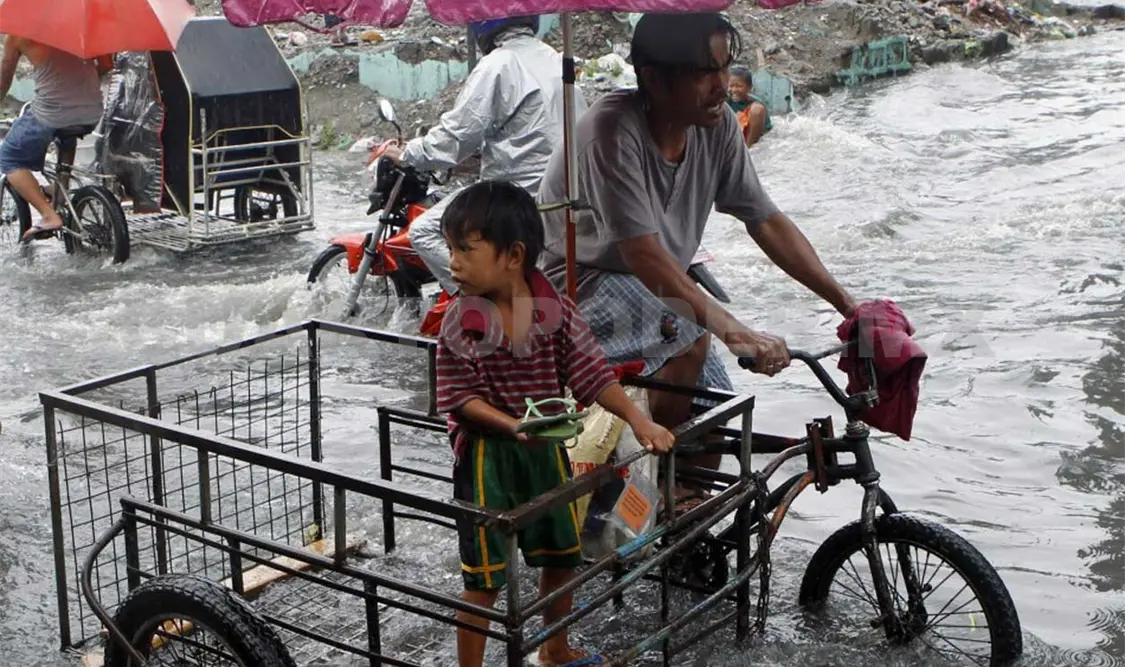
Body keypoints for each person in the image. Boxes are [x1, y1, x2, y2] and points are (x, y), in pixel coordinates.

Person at [535, 12, 858, 508]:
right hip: (582, 280)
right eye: (704, 72)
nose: (721, 86)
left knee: (718, 407)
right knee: (691, 333)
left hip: (654, 282)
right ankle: (651, 483)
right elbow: (641, 253)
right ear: (653, 77)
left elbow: (765, 219)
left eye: (725, 68)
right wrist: (734, 330)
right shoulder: (610, 130)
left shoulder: (719, 126)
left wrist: (846, 304)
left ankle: (686, 505)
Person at [435, 180, 674, 667]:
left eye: (465, 249)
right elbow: (460, 398)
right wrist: (509, 424)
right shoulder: (460, 319)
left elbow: (592, 375)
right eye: (450, 250)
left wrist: (637, 420)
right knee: (483, 578)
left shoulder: (556, 312)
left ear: (513, 254)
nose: (453, 262)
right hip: (485, 458)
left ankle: (554, 648)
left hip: (543, 449)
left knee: (561, 555)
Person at [381, 16, 586, 297]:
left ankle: (481, 301)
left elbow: (456, 137)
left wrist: (407, 153)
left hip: (513, 194)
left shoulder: (498, 64)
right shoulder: (556, 58)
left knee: (423, 231)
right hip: (562, 192)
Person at [0, 37, 106, 240]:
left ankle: (49, 216)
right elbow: (107, 64)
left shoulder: (18, 35)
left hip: (52, 112)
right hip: (91, 112)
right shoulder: (81, 29)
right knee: (66, 131)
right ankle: (61, 189)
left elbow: (3, 83)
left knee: (9, 157)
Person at [727, 64, 772, 147]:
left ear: (749, 88)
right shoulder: (726, 100)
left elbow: (766, 130)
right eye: (731, 86)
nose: (734, 90)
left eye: (739, 86)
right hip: (732, 137)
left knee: (757, 109)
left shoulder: (756, 104)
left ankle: (747, 150)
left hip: (750, 136)